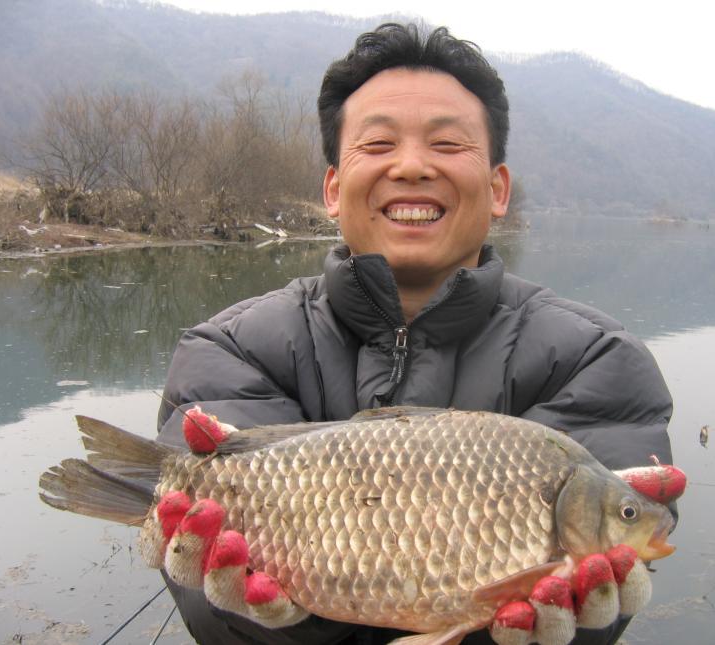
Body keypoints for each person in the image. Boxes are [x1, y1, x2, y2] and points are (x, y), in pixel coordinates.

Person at [157, 23, 674, 645]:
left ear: (498, 189)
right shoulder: (228, 349)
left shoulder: (598, 359)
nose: (410, 166)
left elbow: (591, 586)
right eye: (378, 144)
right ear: (332, 189)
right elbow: (213, 589)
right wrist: (273, 616)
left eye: (447, 144)